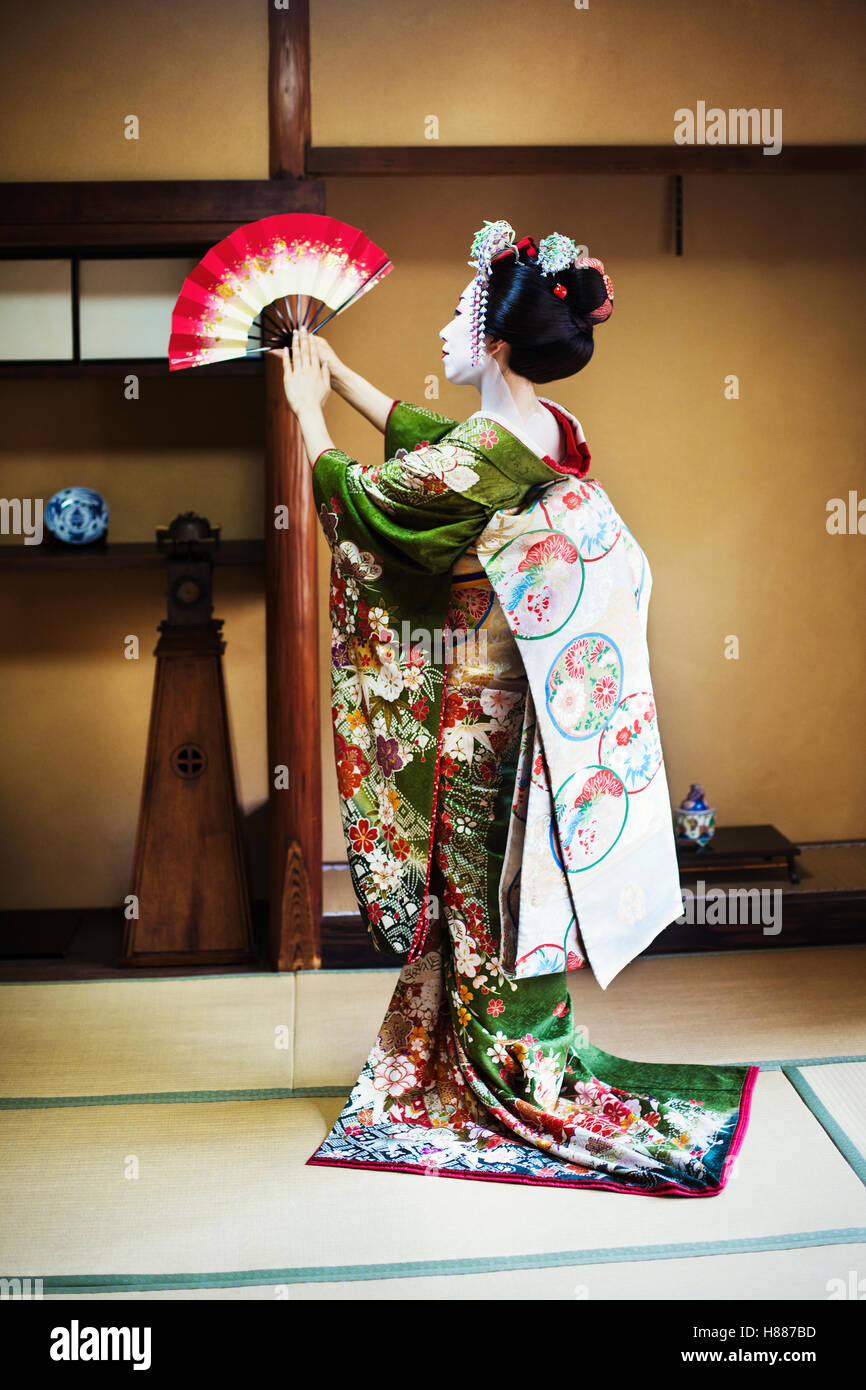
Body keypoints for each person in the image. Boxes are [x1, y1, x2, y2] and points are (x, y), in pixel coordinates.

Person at [277, 220, 757, 1195]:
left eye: (461, 312)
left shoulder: (495, 444)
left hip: (485, 701)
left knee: (482, 892)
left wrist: (305, 417)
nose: (447, 328)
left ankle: (498, 1070)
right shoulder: (535, 429)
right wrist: (342, 379)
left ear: (494, 341)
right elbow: (440, 444)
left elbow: (380, 503)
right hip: (518, 686)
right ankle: (507, 1049)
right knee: (503, 890)